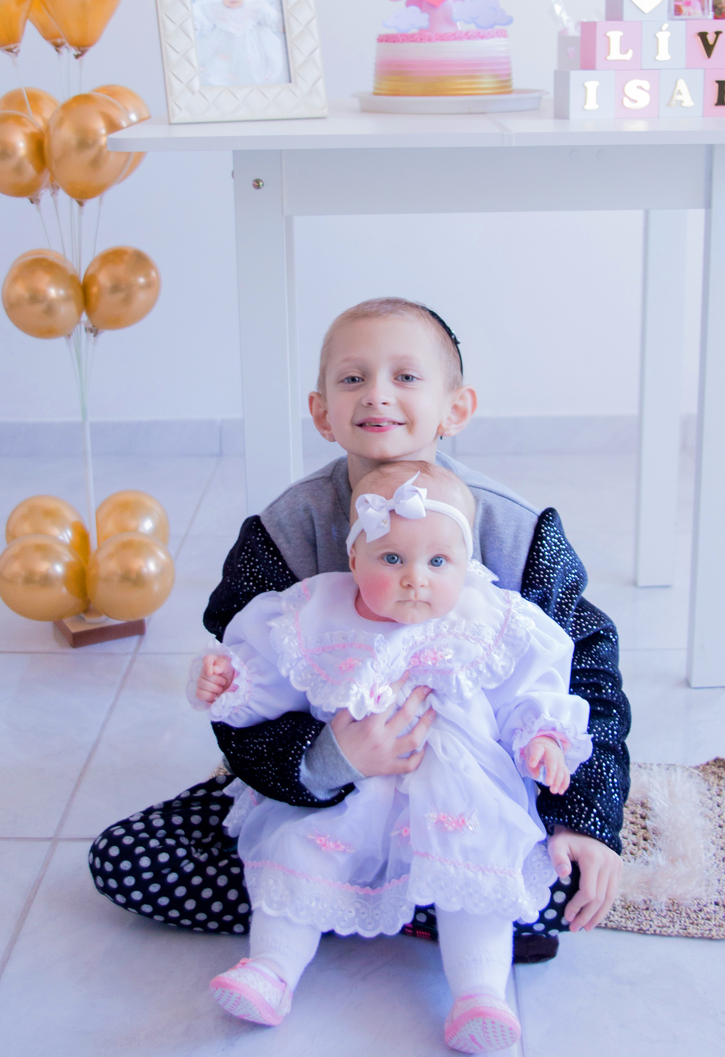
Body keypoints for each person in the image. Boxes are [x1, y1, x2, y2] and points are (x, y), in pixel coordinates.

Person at [88, 297, 630, 965]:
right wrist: (328, 758)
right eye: (352, 379)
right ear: (321, 412)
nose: (378, 394)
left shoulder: (517, 532)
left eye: (406, 377)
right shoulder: (283, 534)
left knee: (565, 882)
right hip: (327, 798)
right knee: (130, 861)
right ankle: (382, 900)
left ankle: (376, 901)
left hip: (468, 795)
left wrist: (586, 819)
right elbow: (242, 686)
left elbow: (585, 672)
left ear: (456, 407)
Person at [196, 463, 593, 1051]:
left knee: (480, 859)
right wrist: (232, 681)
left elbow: (528, 689)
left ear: (467, 564)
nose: (415, 579)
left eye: (438, 563)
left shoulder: (489, 617)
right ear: (353, 559)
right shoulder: (316, 613)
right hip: (351, 787)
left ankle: (479, 994)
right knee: (295, 849)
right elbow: (276, 682)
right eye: (391, 560)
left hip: (458, 788)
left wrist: (541, 739)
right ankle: (271, 970)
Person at [190, 0, 288, 85]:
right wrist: (196, 24)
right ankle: (228, 76)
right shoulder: (215, 6)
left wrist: (279, 24)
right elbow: (200, 10)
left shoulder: (254, 4)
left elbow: (268, 14)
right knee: (221, 63)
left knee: (252, 62)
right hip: (224, 42)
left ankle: (249, 76)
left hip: (252, 42)